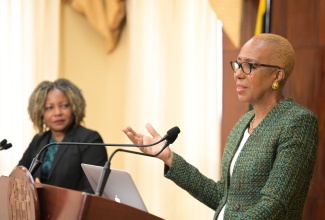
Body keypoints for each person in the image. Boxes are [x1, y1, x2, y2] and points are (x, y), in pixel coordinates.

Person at [122, 33, 319, 219]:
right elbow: (222, 197)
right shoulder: (244, 123)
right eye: (238, 64)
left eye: (250, 65)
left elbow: (275, 204)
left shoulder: (297, 122)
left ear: (277, 75)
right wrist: (169, 158)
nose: (238, 74)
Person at [18, 78, 108, 193]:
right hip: (36, 211)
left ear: (74, 107)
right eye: (49, 108)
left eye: (64, 106)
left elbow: (94, 191)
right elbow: (18, 178)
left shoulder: (90, 139)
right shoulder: (39, 140)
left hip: (75, 210)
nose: (57, 113)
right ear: (40, 113)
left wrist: (47, 195)